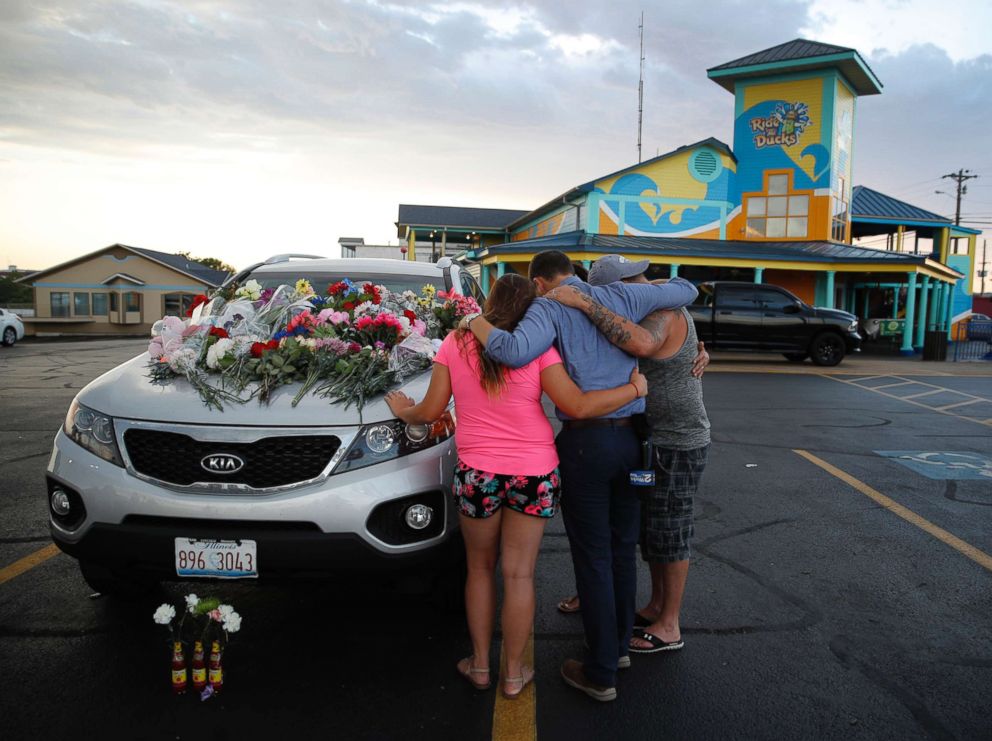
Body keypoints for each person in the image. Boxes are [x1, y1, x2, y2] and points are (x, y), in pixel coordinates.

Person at [385, 273, 648, 700]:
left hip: (478, 473)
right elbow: (577, 405)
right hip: (534, 472)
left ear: (490, 302)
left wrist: (404, 410)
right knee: (520, 573)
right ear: (531, 309)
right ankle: (513, 673)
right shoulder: (540, 349)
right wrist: (633, 388)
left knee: (479, 569)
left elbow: (431, 411)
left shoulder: (456, 342)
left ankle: (481, 666)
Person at [461, 251, 698, 702]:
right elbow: (687, 288)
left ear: (541, 282)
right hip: (632, 442)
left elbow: (511, 351)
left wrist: (475, 322)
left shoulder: (548, 306)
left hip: (585, 443)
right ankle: (617, 647)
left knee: (593, 555)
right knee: (622, 548)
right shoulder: (622, 295)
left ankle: (601, 670)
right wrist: (649, 294)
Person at [546, 254, 710, 656]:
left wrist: (583, 303)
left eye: (641, 277)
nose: (645, 282)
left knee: (670, 530)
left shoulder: (662, 312)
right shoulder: (640, 310)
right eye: (635, 278)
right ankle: (642, 605)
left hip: (676, 441)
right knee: (645, 529)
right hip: (643, 440)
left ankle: (669, 624)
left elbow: (641, 343)